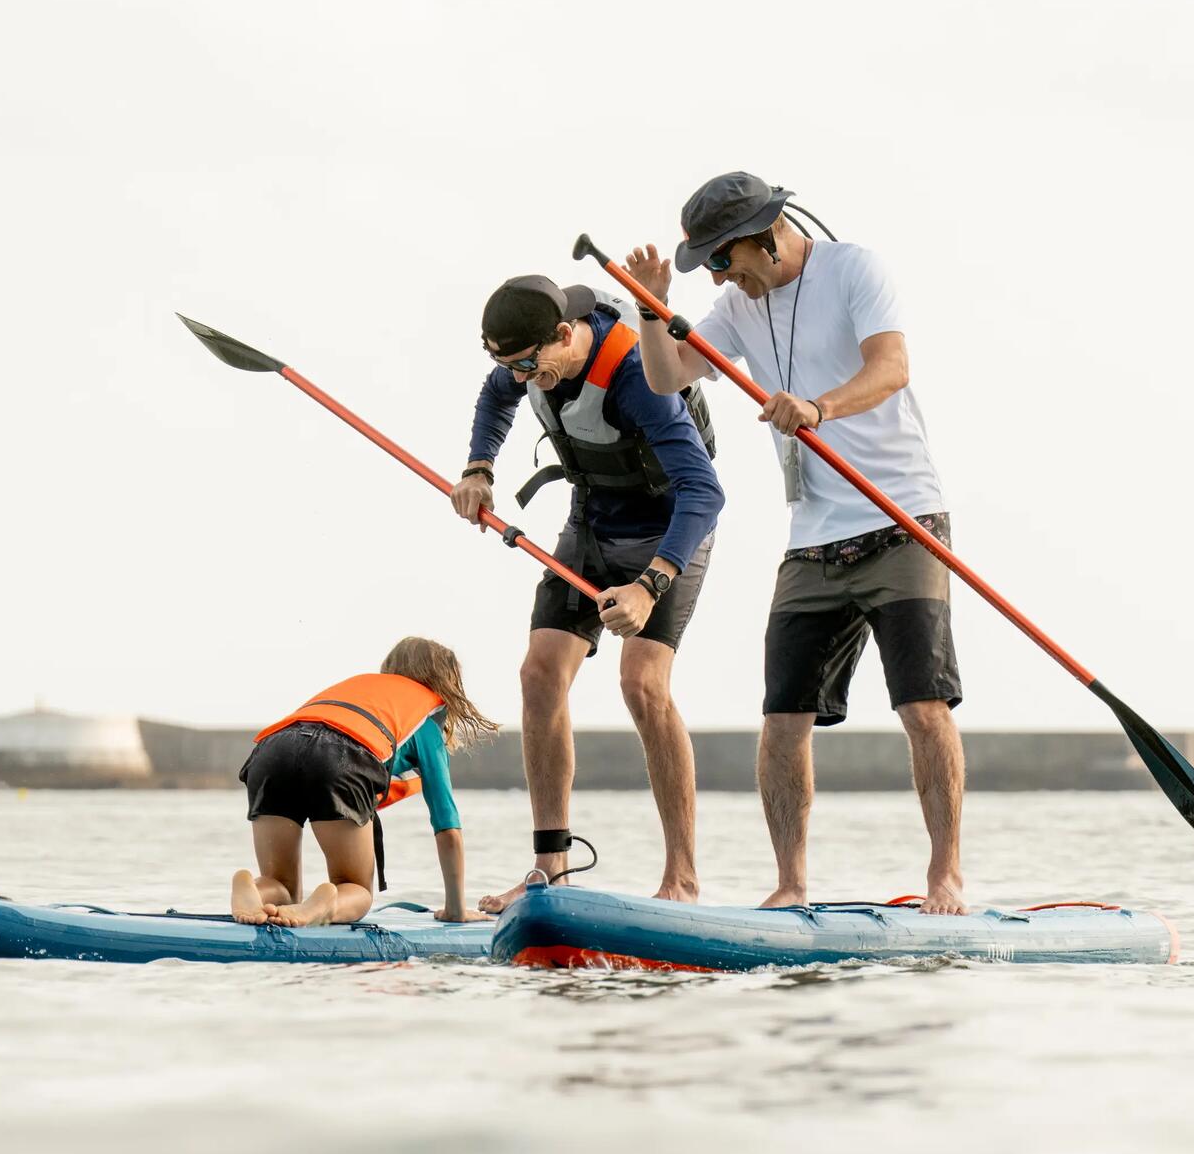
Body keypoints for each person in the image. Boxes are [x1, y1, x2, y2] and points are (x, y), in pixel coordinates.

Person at [623, 172, 967, 914]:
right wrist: (655, 310)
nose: (720, 276)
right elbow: (666, 376)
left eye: (724, 258)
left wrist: (820, 407)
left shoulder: (854, 269)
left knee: (922, 708)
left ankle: (946, 876)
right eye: (709, 266)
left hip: (903, 517)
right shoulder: (737, 307)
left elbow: (891, 367)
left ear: (766, 233)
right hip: (814, 537)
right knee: (782, 720)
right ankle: (791, 883)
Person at [452, 275, 724, 911]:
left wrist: (651, 585)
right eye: (506, 364)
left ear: (565, 336)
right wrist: (478, 468)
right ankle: (551, 866)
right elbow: (494, 400)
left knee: (643, 685)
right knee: (540, 672)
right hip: (593, 524)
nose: (518, 378)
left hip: (669, 532)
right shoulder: (520, 365)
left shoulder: (635, 376)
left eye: (527, 364)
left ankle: (681, 876)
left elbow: (705, 493)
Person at [228, 636, 497, 926]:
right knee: (354, 888)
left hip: (273, 751)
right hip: (340, 757)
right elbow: (448, 828)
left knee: (280, 884)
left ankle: (255, 889)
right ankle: (326, 904)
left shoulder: (360, 689)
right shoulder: (424, 720)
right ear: (446, 683)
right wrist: (456, 910)